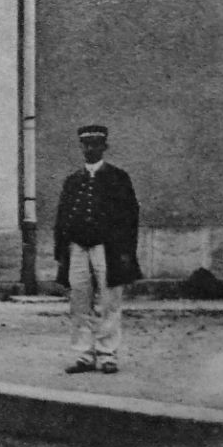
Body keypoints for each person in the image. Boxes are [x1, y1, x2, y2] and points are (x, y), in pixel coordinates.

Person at [55, 124, 141, 375]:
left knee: (109, 301)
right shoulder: (72, 181)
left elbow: (130, 217)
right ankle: (83, 354)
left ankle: (107, 354)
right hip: (78, 249)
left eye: (96, 144)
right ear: (81, 147)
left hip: (108, 249)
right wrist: (62, 252)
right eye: (86, 144)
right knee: (79, 301)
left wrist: (126, 251)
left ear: (104, 147)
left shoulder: (118, 177)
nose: (90, 149)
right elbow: (62, 218)